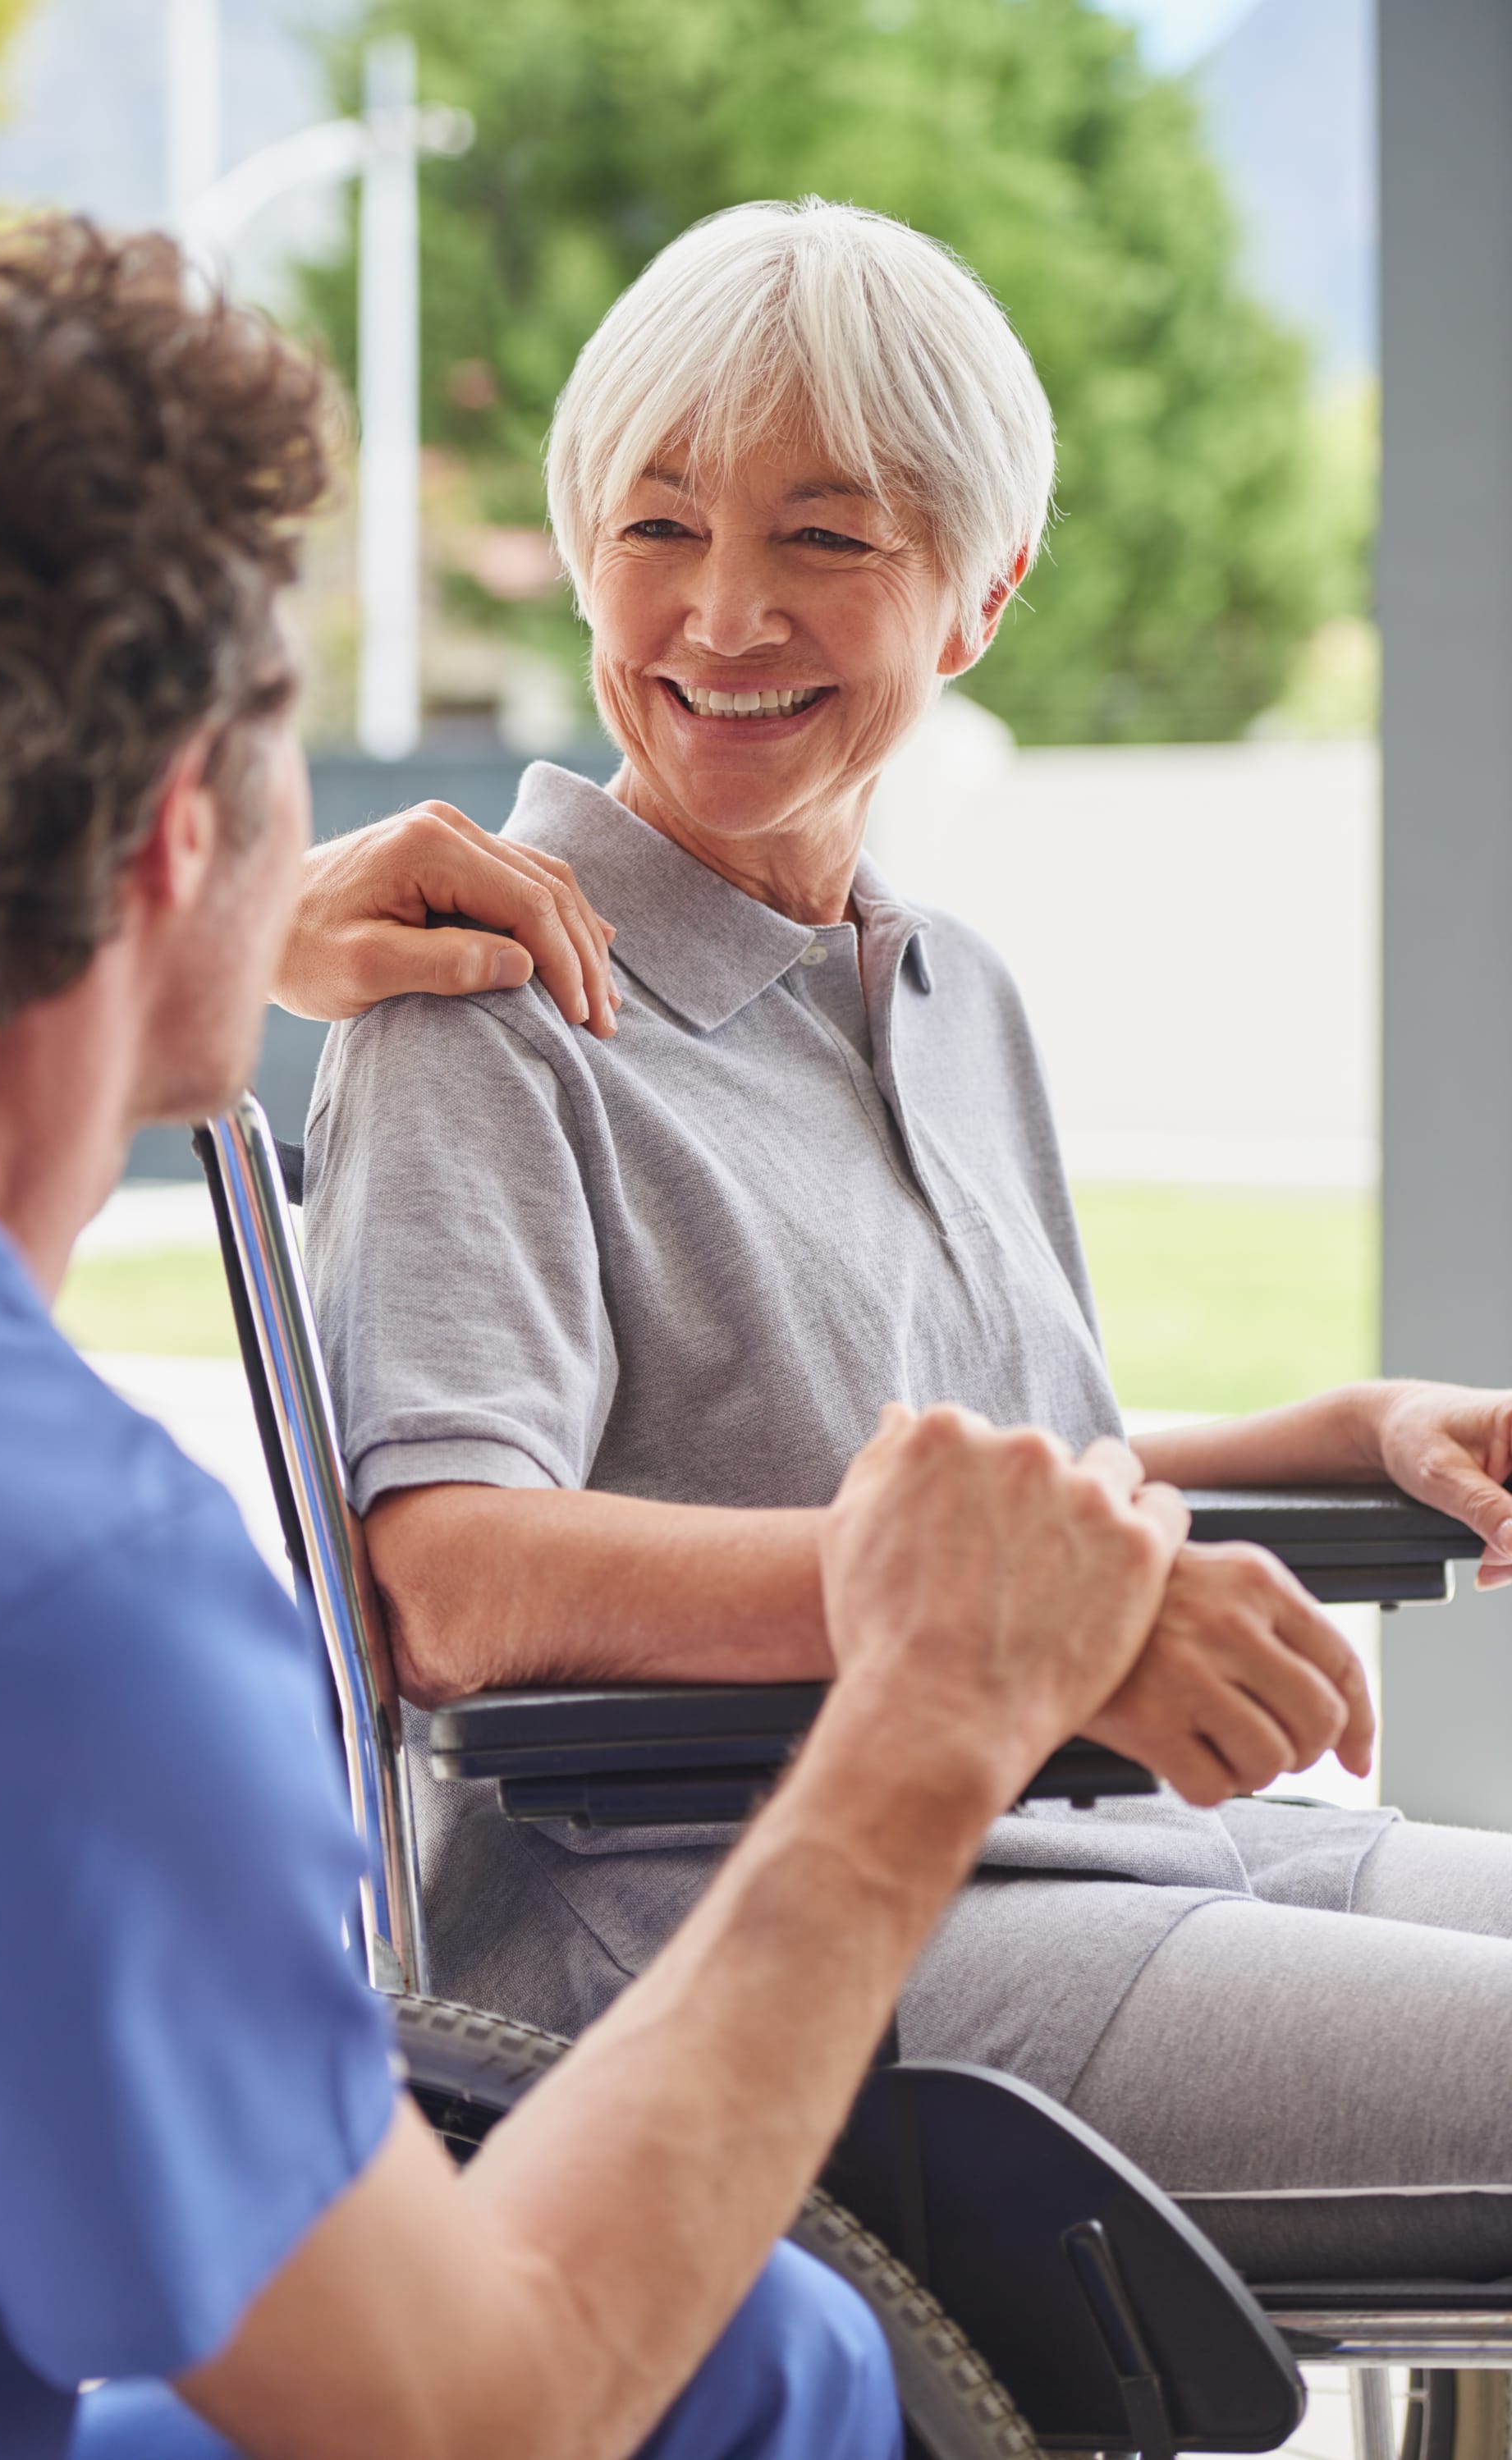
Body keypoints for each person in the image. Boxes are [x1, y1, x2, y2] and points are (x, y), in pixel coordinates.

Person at [0, 214, 1194, 2460]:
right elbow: (461, 2407)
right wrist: (919, 1722)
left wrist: (191, 949)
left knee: (767, 2345)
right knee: (746, 2366)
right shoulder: (55, 1603)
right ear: (189, 816)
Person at [308, 196, 1512, 2287]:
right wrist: (1004, 1627)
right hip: (722, 1932)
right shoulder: (482, 992)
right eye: (657, 526)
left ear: (978, 596)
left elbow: (961, 1468)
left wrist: (1348, 1423)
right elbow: (445, 1579)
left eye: (828, 540)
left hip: (1102, 1848)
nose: (721, 614)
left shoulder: (943, 984)